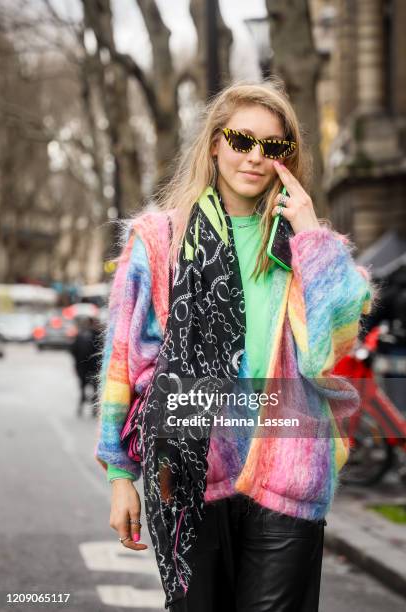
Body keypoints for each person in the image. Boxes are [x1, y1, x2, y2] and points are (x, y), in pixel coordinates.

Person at [94, 80, 375, 611]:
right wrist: (120, 474)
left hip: (289, 476)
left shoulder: (308, 247)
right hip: (187, 473)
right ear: (216, 143)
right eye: (242, 140)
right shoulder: (159, 241)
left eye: (273, 147)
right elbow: (124, 364)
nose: (254, 157)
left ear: (287, 158)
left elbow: (331, 350)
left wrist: (311, 232)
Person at [70, 316, 102, 415]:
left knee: (83, 388)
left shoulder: (80, 335)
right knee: (95, 389)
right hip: (93, 367)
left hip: (82, 367)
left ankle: (80, 407)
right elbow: (101, 352)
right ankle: (94, 410)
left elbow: (73, 350)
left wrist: (76, 365)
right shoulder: (97, 335)